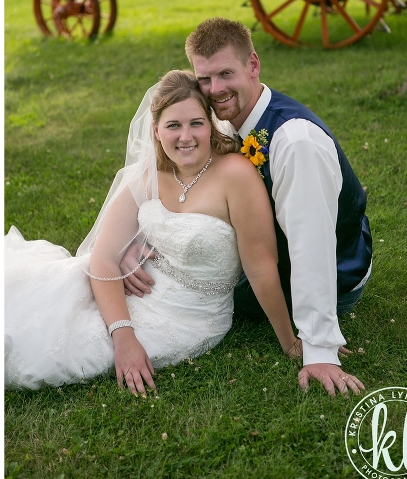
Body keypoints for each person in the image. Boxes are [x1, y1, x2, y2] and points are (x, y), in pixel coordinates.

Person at [5, 71, 299, 393]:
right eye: (174, 125)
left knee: (57, 352)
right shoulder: (149, 174)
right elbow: (102, 258)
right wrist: (123, 335)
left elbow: (260, 267)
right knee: (38, 302)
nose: (186, 136)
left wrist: (290, 342)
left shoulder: (236, 176)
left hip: (188, 319)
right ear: (156, 130)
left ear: (210, 124)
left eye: (196, 123)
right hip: (122, 290)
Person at [121, 18, 371, 397]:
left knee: (192, 289)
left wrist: (317, 349)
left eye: (226, 74)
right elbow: (179, 184)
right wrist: (134, 243)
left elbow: (312, 246)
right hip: (265, 256)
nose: (216, 90)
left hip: (335, 271)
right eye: (205, 79)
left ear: (253, 65)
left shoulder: (295, 143)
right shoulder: (221, 121)